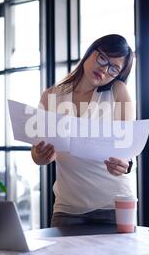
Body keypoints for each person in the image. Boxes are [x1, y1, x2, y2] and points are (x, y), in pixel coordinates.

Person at [31, 34, 135, 227]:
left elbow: (126, 150)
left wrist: (125, 164)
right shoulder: (51, 96)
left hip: (113, 204)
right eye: (103, 58)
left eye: (114, 69)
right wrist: (41, 155)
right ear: (91, 52)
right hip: (67, 207)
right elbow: (38, 156)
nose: (104, 70)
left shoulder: (118, 91)